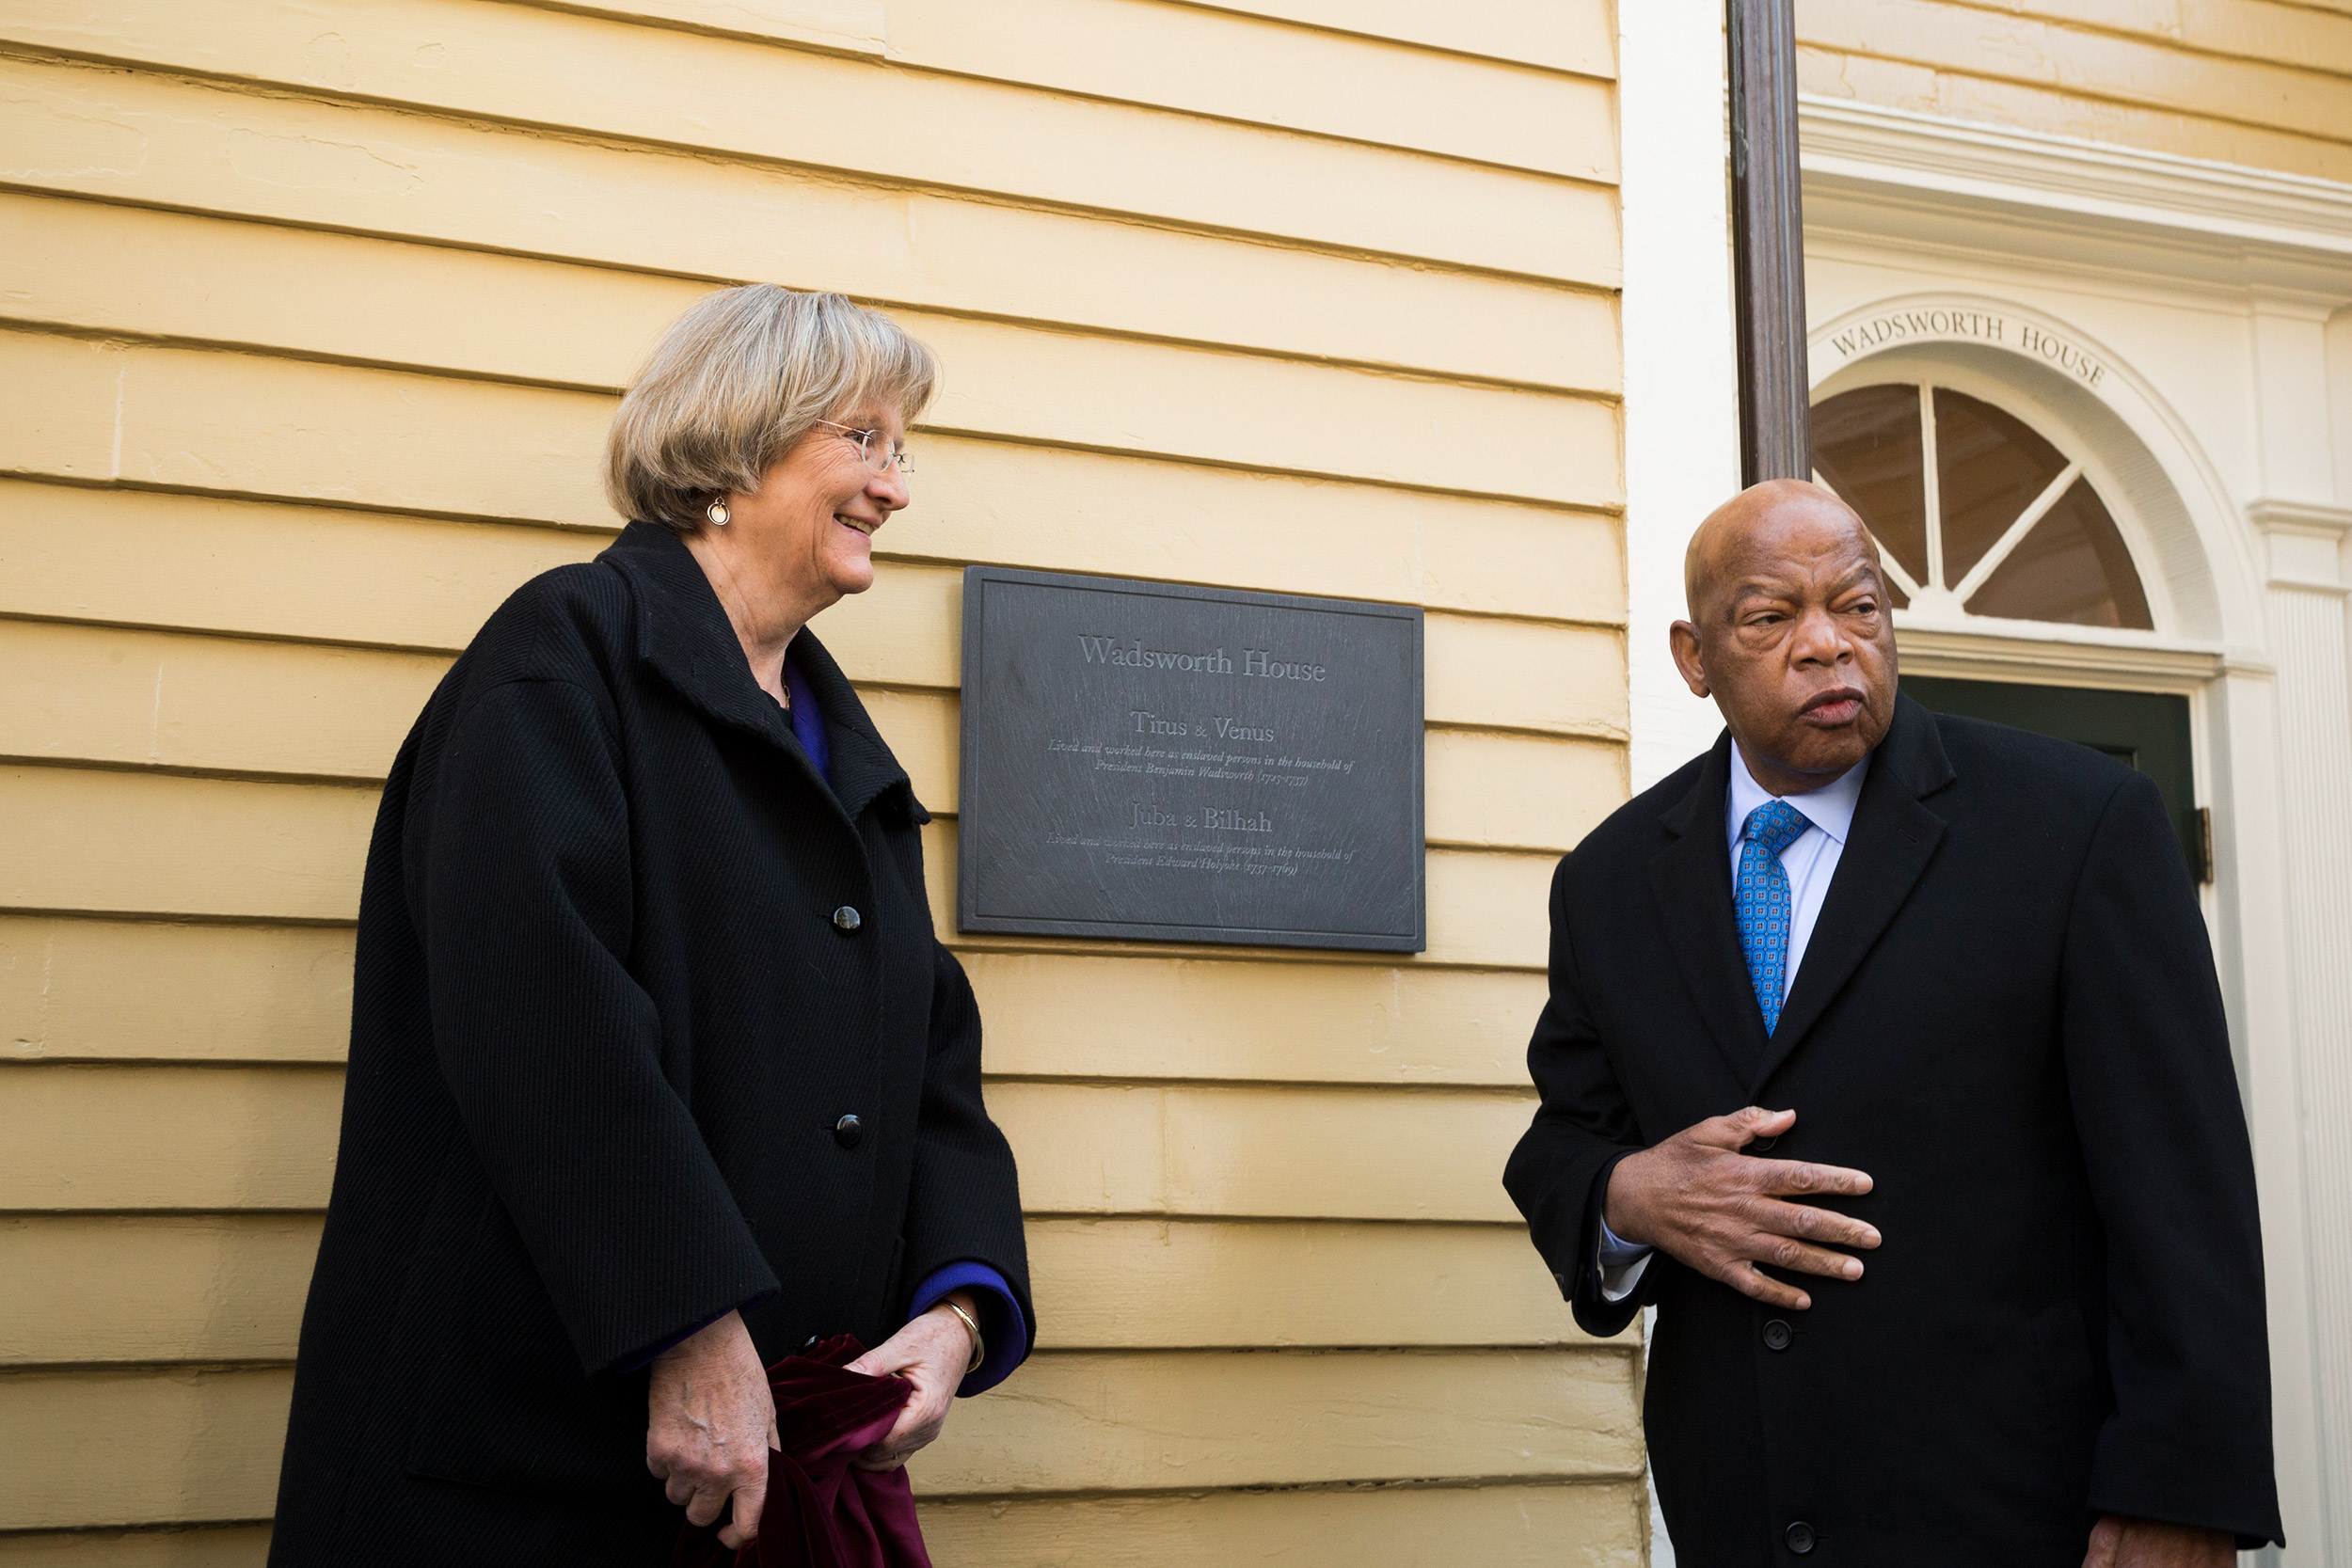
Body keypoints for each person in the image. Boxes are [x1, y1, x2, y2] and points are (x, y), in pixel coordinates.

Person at [269, 286, 1032, 1566]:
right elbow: (543, 1019)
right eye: (865, 440)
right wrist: (687, 1319)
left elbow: (931, 1072)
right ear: (740, 441)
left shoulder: (847, 754)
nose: (895, 486)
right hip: (526, 1461)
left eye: (902, 450)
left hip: (766, 1464)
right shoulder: (561, 660)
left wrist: (959, 1301)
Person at [1503, 481, 2280, 1566]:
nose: (1826, 645)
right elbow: (1562, 1141)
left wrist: (2181, 1490)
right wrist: (1629, 1195)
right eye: (1771, 616)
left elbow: (2181, 1185)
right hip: (1742, 1511)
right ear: (1694, 656)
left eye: (1857, 605)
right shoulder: (1609, 881)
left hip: (2022, 1512)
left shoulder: (2073, 825)